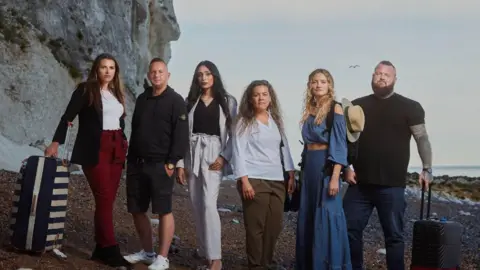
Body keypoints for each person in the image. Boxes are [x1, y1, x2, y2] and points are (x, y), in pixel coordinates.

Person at [343, 60, 433, 270]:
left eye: (386, 74)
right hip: (360, 184)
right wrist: (346, 167)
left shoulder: (410, 107)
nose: (381, 77)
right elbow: (346, 141)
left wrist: (427, 168)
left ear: (394, 79)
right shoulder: (357, 106)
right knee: (348, 230)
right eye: (378, 73)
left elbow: (422, 138)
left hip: (392, 185)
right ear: (372, 76)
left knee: (394, 236)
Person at [45, 53, 130, 267]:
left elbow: (120, 121)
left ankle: (101, 248)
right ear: (96, 69)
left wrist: (124, 142)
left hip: (116, 148)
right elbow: (68, 117)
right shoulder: (85, 89)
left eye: (112, 67)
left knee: (108, 201)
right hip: (95, 148)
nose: (108, 71)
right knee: (103, 198)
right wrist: (56, 142)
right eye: (103, 67)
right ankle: (110, 249)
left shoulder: (117, 93)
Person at [123, 58, 189, 270]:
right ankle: (148, 252)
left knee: (163, 210)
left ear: (167, 75)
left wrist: (172, 163)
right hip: (136, 163)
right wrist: (129, 160)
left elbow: (181, 136)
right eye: (153, 72)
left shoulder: (176, 101)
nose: (157, 75)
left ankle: (163, 257)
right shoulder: (142, 98)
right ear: (149, 74)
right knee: (137, 209)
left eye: (161, 72)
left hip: (161, 165)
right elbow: (135, 129)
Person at [175, 60, 237, 270]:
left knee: (210, 204)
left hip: (213, 154)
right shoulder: (190, 101)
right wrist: (180, 163)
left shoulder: (228, 101)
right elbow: (182, 134)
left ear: (214, 76)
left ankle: (216, 258)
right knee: (197, 204)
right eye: (199, 74)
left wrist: (224, 157)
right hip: (192, 153)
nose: (203, 78)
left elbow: (234, 135)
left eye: (207, 73)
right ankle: (204, 250)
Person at [232, 80, 295, 270]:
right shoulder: (244, 121)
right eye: (257, 94)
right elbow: (238, 151)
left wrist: (290, 174)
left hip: (277, 179)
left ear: (270, 97)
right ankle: (255, 264)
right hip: (254, 178)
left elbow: (284, 149)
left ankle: (266, 262)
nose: (261, 97)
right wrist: (244, 181)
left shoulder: (275, 120)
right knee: (255, 226)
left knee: (274, 227)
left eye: (265, 94)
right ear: (250, 99)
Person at [295, 69, 352, 270]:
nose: (318, 85)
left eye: (323, 81)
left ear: (329, 85)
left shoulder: (335, 109)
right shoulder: (309, 108)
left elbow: (339, 145)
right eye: (314, 81)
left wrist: (336, 176)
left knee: (328, 216)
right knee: (308, 216)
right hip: (309, 166)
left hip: (325, 168)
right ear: (309, 85)